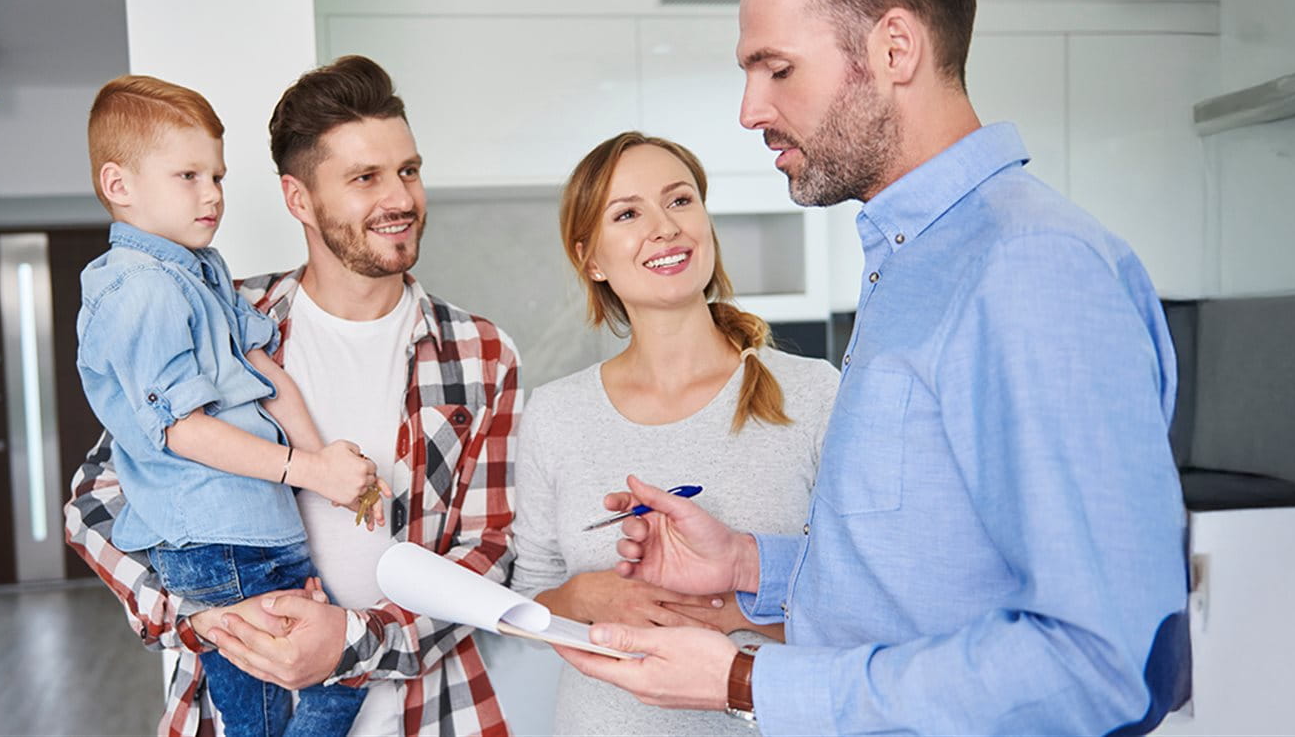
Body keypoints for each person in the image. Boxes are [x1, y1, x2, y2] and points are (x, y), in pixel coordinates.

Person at [554, 0, 1192, 734]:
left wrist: (748, 678)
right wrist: (748, 565)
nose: (751, 110)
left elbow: (1105, 667)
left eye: (777, 69)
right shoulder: (915, 263)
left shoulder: (1030, 266)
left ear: (894, 48)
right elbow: (926, 579)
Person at [65, 56, 521, 737]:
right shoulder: (220, 318)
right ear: (299, 199)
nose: (399, 197)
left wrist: (353, 641)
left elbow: (492, 550)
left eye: (408, 170)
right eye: (365, 178)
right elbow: (96, 499)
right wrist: (195, 616)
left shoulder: (481, 353)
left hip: (429, 715)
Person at [76, 73, 382, 737]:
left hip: (261, 527)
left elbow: (266, 371)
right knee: (261, 716)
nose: (212, 194)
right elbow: (184, 432)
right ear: (119, 186)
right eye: (188, 176)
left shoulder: (202, 268)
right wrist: (309, 472)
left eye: (217, 176)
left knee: (343, 667)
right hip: (215, 541)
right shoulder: (139, 291)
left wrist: (324, 459)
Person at [508, 131, 838, 735]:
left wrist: (728, 614)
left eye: (680, 200)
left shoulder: (816, 395)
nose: (664, 227)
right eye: (628, 213)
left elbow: (871, 604)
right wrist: (583, 599)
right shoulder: (555, 415)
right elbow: (528, 601)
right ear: (592, 258)